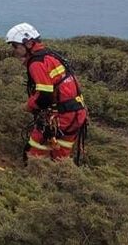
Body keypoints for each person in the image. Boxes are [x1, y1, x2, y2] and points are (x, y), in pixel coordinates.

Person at [5, 23, 89, 163]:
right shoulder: (50, 56)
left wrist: (29, 106)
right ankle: (59, 177)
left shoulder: (36, 63)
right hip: (77, 113)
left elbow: (45, 96)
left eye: (15, 46)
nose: (14, 50)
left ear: (29, 43)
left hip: (61, 117)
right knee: (61, 156)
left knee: (33, 155)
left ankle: (34, 179)